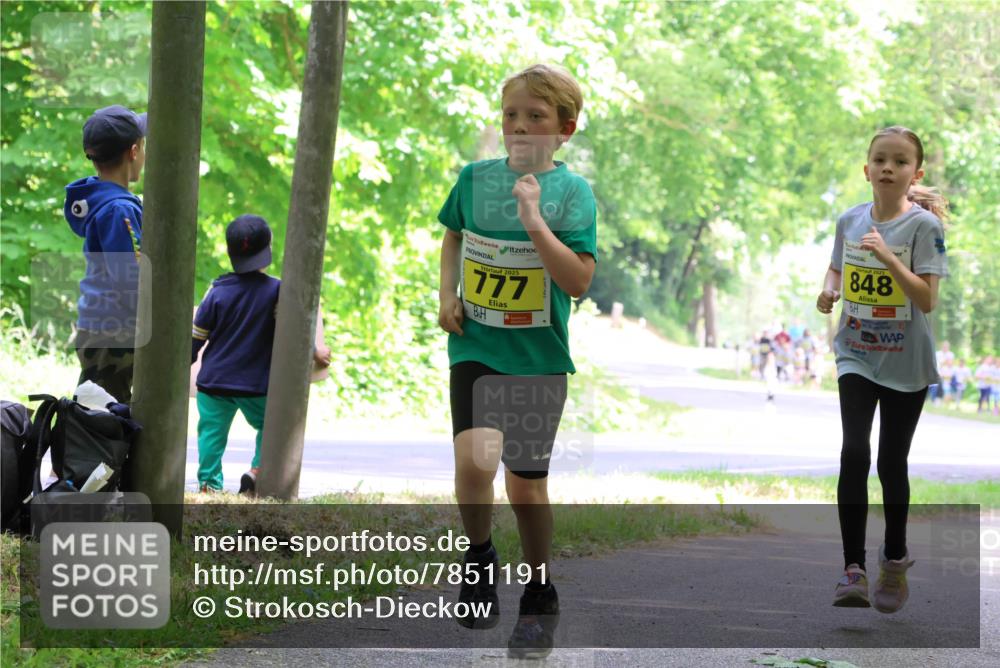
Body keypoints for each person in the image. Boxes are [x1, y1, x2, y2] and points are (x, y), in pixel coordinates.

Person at [437, 64, 597, 659]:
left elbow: (578, 280)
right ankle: (478, 556)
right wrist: (447, 294)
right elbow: (453, 235)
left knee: (526, 488)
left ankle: (539, 590)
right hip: (477, 345)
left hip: (538, 358)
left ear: (565, 129)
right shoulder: (475, 179)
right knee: (473, 463)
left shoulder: (572, 193)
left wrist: (534, 221)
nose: (520, 127)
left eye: (536, 117)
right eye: (511, 115)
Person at [815, 126, 948, 613]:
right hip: (856, 351)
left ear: (916, 173)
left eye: (899, 161)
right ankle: (853, 570)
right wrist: (828, 290)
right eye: (879, 160)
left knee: (892, 464)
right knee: (854, 452)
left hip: (905, 360)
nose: (888, 168)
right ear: (866, 168)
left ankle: (894, 558)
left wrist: (889, 257)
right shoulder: (849, 220)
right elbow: (836, 268)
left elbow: (927, 300)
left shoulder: (923, 229)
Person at [190, 214, 331, 495]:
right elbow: (297, 330)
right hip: (256, 385)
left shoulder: (216, 292)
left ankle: (208, 483)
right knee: (273, 425)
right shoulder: (278, 291)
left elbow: (196, 339)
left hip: (214, 383)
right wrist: (317, 352)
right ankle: (257, 471)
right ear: (267, 253)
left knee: (210, 435)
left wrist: (184, 363)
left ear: (231, 254)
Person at [64, 105, 147, 403]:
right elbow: (130, 279)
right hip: (114, 333)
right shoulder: (118, 209)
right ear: (134, 151)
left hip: (102, 328)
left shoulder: (108, 202)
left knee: (99, 409)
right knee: (100, 425)